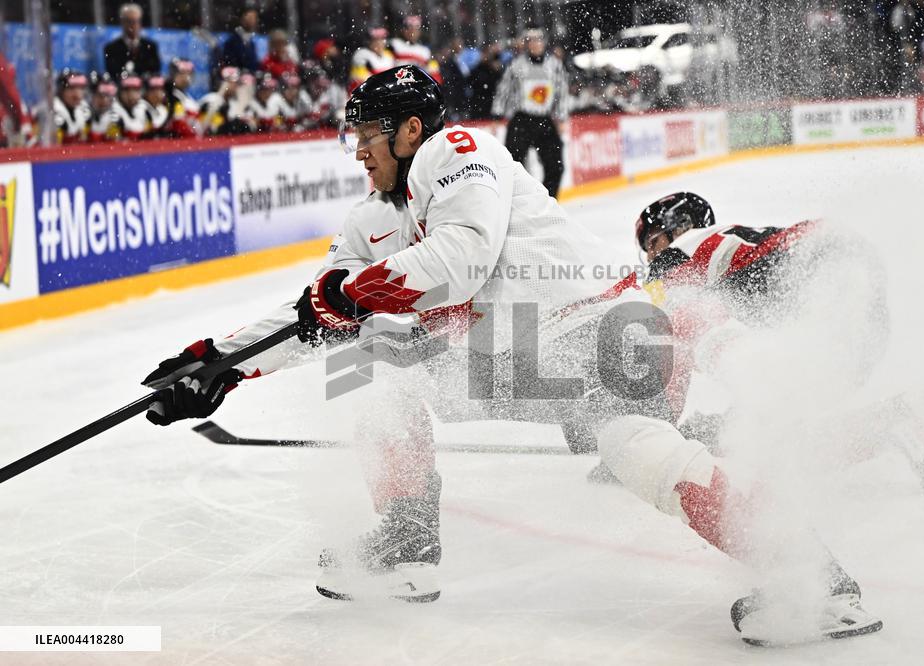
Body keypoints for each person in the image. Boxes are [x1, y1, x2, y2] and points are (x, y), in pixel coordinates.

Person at [139, 65, 661, 604]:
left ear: (410, 131)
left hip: (594, 338)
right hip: (527, 364)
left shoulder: (458, 150)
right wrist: (224, 364)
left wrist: (350, 296)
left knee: (375, 368)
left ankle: (664, 427)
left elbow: (464, 258)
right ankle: (407, 546)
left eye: (367, 136)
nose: (359, 151)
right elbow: (316, 313)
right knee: (366, 369)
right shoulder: (371, 218)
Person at [593, 192, 924, 644]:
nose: (652, 254)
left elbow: (677, 327)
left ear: (674, 228)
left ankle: (812, 584)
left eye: (652, 242)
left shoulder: (680, 254)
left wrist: (650, 421)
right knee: (782, 433)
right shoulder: (731, 249)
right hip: (852, 281)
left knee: (766, 438)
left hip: (820, 276)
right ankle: (901, 421)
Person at [492, 29, 568, 198]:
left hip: (545, 119)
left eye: (538, 39)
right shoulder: (516, 65)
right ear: (526, 43)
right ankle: (517, 203)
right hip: (522, 119)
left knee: (556, 166)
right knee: (511, 166)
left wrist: (561, 117)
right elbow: (504, 89)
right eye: (530, 40)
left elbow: (561, 92)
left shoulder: (555, 65)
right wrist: (497, 114)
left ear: (544, 42)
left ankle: (547, 202)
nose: (534, 44)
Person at [103, 3, 162, 79]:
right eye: (129, 21)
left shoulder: (151, 46)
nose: (133, 25)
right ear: (122, 22)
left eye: (136, 21)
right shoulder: (111, 48)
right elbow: (113, 73)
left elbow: (155, 70)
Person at [389, 15, 442, 83]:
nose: (412, 32)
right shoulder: (394, 44)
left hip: (418, 87)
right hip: (396, 85)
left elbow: (435, 75)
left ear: (420, 31)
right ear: (403, 30)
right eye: (409, 28)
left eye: (416, 29)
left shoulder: (425, 51)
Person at [349, 27, 394, 93]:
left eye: (382, 39)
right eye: (375, 40)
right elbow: (361, 82)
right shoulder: (361, 55)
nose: (379, 43)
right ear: (369, 41)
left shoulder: (388, 55)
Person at [52, 69, 92, 145]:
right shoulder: (54, 112)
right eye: (71, 88)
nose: (77, 95)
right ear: (61, 91)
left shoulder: (84, 108)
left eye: (81, 88)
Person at [220, 2, 261, 73]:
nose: (253, 21)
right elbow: (229, 64)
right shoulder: (232, 41)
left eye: (254, 18)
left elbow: (253, 66)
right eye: (250, 17)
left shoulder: (251, 43)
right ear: (242, 19)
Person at [467, 43, 504, 119]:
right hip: (479, 104)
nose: (486, 56)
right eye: (485, 53)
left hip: (491, 104)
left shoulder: (495, 69)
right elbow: (472, 83)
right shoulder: (477, 70)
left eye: (488, 54)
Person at [166, 58, 199, 138]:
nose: (186, 77)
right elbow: (177, 126)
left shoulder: (188, 97)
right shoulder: (169, 96)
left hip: (190, 143)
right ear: (173, 75)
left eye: (189, 73)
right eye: (182, 73)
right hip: (175, 144)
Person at [113, 73, 152, 141]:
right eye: (126, 90)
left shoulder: (145, 108)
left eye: (135, 90)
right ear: (119, 92)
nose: (131, 95)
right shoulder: (113, 111)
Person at [87, 73, 121, 142]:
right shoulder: (82, 114)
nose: (104, 101)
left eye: (108, 96)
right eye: (100, 96)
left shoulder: (117, 116)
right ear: (91, 96)